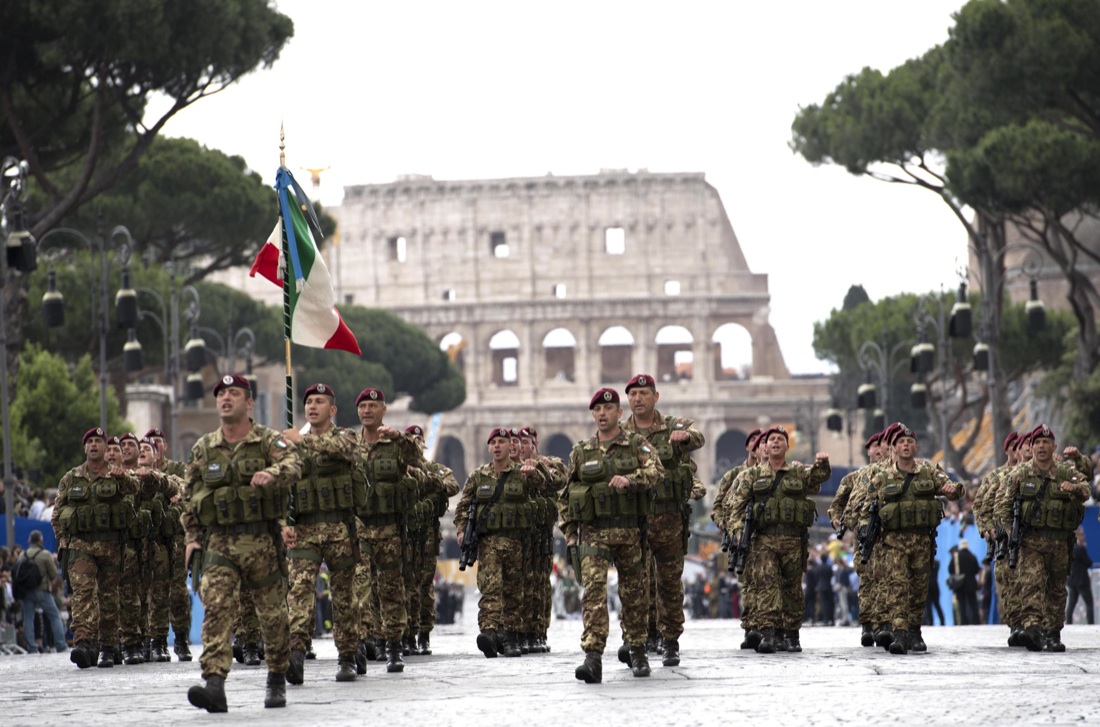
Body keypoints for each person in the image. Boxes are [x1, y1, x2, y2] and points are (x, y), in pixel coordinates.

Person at [183, 374, 302, 712]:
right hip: (219, 541)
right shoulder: (204, 447)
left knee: (272, 616)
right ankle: (215, 684)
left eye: (234, 393)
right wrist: (192, 540)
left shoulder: (267, 440)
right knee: (217, 608)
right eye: (220, 393)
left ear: (249, 402)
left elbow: (294, 464)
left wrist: (273, 474)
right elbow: (189, 498)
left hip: (260, 540)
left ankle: (277, 676)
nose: (225, 398)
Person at [559, 388, 661, 683]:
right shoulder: (581, 452)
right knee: (592, 592)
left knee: (634, 594)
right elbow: (565, 498)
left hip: (629, 530)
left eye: (609, 409)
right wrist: (570, 534)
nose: (602, 414)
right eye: (597, 410)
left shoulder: (636, 445)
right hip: (593, 533)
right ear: (593, 414)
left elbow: (656, 473)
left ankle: (638, 650)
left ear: (619, 413)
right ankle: (593, 658)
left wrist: (632, 479)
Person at [52, 427, 169, 669]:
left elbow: (138, 490)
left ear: (106, 448)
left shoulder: (117, 475)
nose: (94, 445)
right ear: (85, 448)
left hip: (111, 546)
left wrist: (122, 477)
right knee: (83, 593)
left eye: (98, 441)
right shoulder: (71, 478)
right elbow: (57, 513)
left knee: (108, 597)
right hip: (81, 546)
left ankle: (107, 646)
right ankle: (83, 642)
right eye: (90, 442)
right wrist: (64, 540)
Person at [618, 374, 705, 667]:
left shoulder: (672, 425)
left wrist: (686, 438)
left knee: (669, 583)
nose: (638, 398)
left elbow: (699, 436)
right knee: (634, 582)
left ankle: (670, 641)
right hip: (634, 519)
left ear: (656, 397)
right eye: (633, 394)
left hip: (668, 517)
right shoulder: (620, 433)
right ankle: (636, 639)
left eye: (644, 393)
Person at [281, 383, 364, 684]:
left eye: (320, 401)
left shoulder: (345, 437)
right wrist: (283, 523)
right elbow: (283, 484)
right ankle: (296, 655)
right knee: (300, 591)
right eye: (309, 402)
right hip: (304, 528)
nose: (312, 407)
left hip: (339, 528)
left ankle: (347, 656)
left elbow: (349, 452)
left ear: (333, 410)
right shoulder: (294, 442)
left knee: (343, 595)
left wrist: (300, 443)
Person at [726, 426, 830, 653]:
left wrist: (822, 463)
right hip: (763, 541)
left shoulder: (798, 472)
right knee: (767, 585)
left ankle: (792, 634)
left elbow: (818, 478)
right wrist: (736, 533)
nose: (775, 442)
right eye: (771, 439)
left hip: (793, 540)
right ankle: (769, 633)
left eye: (780, 439)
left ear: (787, 446)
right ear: (764, 446)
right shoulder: (751, 475)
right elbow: (735, 507)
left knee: (792, 588)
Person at [864, 426, 961, 654]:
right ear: (894, 448)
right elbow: (866, 506)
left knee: (918, 588)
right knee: (897, 586)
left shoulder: (928, 472)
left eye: (910, 441)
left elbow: (953, 489)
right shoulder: (882, 477)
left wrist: (952, 490)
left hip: (921, 541)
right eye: (901, 442)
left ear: (915, 447)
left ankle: (915, 630)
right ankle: (900, 634)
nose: (906, 445)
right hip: (893, 542)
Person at [994, 424, 1090, 651]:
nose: (1041, 446)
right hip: (1030, 543)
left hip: (1059, 541)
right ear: (1032, 447)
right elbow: (1002, 505)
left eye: (1046, 442)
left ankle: (1053, 632)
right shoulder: (1020, 474)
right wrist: (1010, 532)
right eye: (1037, 442)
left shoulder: (1066, 472)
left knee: (1056, 589)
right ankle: (1032, 628)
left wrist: (1075, 489)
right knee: (1031, 584)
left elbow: (1086, 488)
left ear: (1053, 446)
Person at [454, 427, 544, 658]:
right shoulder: (478, 475)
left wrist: (535, 473)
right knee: (490, 588)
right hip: (489, 543)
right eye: (492, 442)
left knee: (515, 591)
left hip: (516, 542)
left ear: (510, 446)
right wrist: (462, 530)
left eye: (501, 442)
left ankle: (511, 636)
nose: (497, 446)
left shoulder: (522, 472)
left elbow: (548, 486)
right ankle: (490, 632)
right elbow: (463, 505)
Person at [352, 387, 424, 673]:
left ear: (383, 410)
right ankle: (360, 644)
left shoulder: (396, 445)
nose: (367, 411)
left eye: (373, 406)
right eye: (362, 406)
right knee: (359, 589)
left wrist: (401, 437)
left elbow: (417, 455)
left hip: (389, 529)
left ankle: (394, 646)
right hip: (360, 529)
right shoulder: (350, 445)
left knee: (392, 591)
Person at [404, 424, 459, 656]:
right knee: (406, 586)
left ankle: (424, 632)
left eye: (419, 440)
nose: (415, 445)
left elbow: (452, 486)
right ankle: (406, 633)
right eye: (411, 440)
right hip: (404, 534)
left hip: (427, 535)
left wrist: (426, 479)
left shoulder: (435, 469)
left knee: (424, 586)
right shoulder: (397, 469)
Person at [146, 426, 193, 661]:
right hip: (155, 539)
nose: (154, 445)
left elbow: (188, 492)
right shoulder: (142, 473)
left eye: (158, 441)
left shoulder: (176, 469)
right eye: (149, 442)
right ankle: (157, 640)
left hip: (176, 537)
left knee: (178, 591)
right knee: (157, 591)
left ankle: (182, 639)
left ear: (164, 446)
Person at [20, 530, 67, 653]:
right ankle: (60, 644)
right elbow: (54, 575)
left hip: (27, 592)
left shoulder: (22, 554)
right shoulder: (45, 554)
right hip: (42, 590)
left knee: (28, 618)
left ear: (29, 541)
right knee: (54, 616)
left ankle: (31, 646)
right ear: (41, 540)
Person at [949, 539, 981, 625]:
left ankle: (964, 622)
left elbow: (950, 569)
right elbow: (976, 569)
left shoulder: (956, 557)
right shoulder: (972, 556)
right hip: (971, 584)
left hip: (960, 585)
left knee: (962, 604)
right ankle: (976, 621)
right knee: (973, 603)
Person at [1066, 528, 1094, 625]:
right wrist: (1084, 548)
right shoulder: (1080, 548)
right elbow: (1088, 562)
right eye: (1082, 534)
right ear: (1077, 535)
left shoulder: (1070, 548)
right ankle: (1091, 624)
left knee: (1071, 605)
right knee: (1089, 604)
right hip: (1081, 581)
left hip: (1072, 580)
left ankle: (1068, 623)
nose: (1084, 537)